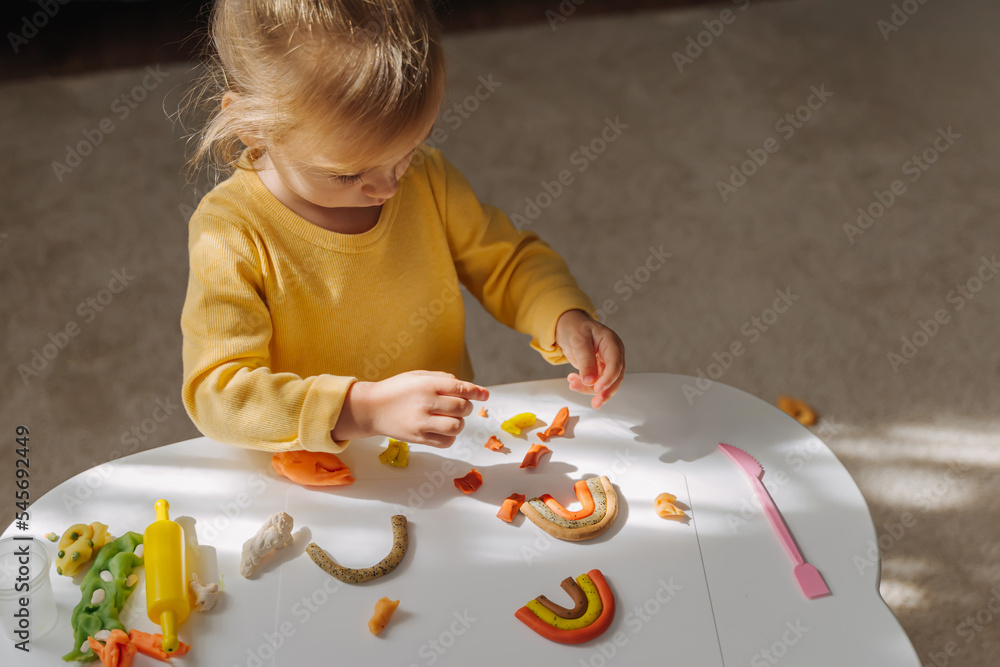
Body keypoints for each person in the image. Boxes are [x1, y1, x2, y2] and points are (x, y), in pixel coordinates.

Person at [180, 0, 625, 456]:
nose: (389, 185)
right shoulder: (230, 232)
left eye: (408, 150)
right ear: (251, 127)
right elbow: (219, 394)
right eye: (348, 174)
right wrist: (363, 409)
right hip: (317, 470)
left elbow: (504, 263)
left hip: (441, 446)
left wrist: (564, 317)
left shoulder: (426, 179)